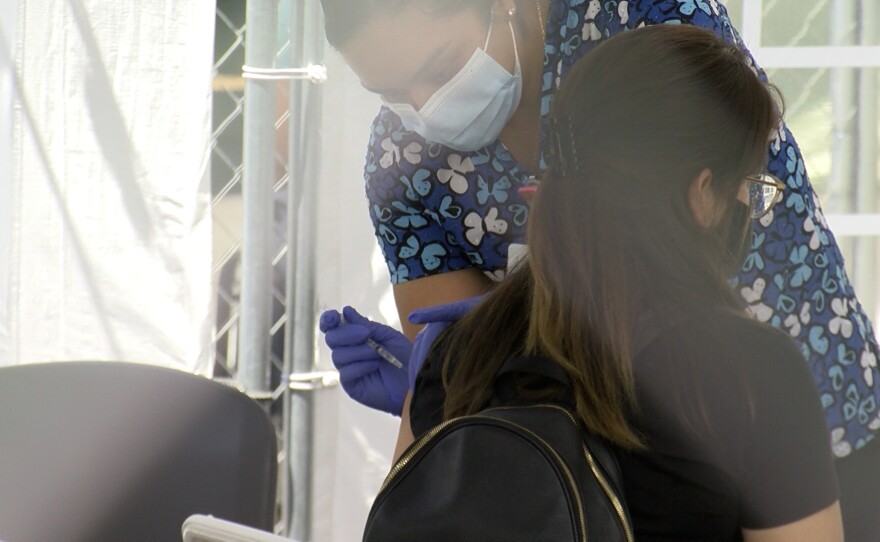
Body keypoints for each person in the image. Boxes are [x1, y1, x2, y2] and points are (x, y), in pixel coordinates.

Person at [317, 0, 880, 537]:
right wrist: (448, 375)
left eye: (438, 68)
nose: (424, 109)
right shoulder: (401, 158)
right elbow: (448, 375)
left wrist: (465, 366)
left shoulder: (642, 19)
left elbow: (721, 225)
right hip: (564, 460)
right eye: (390, 95)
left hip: (791, 415)